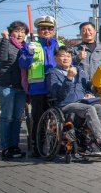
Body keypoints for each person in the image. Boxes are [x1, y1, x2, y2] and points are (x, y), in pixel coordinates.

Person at [46, 46, 101, 156]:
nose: (66, 58)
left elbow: (86, 87)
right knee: (89, 109)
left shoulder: (79, 70)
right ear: (55, 58)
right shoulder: (52, 73)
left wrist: (89, 94)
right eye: (63, 56)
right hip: (65, 105)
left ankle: (94, 142)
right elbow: (59, 95)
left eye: (68, 56)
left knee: (100, 108)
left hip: (82, 102)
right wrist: (68, 79)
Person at [19, 15, 64, 157]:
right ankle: (37, 146)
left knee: (59, 119)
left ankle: (57, 145)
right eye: (43, 28)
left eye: (49, 28)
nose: (46, 31)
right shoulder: (31, 45)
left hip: (57, 87)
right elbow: (23, 64)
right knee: (39, 119)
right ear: (38, 30)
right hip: (39, 88)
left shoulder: (60, 45)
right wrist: (29, 53)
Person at [0, 21, 29, 159]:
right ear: (10, 32)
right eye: (16, 31)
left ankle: (15, 146)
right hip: (7, 86)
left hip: (21, 87)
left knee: (17, 118)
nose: (19, 34)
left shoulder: (26, 47)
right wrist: (4, 40)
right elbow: (2, 58)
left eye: (22, 31)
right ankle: (6, 147)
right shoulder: (7, 43)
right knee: (7, 118)